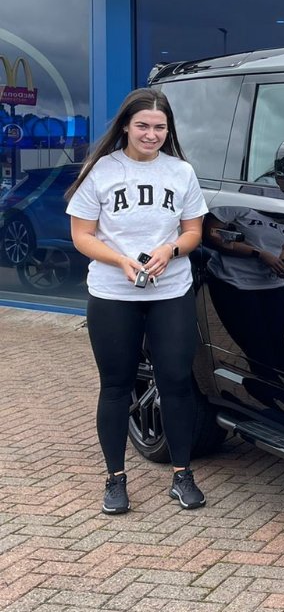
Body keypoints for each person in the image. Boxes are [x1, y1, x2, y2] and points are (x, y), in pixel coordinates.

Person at [65, 88, 208, 515]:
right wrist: (121, 260)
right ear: (126, 126)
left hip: (170, 291)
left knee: (177, 383)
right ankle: (115, 479)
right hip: (113, 293)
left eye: (159, 127)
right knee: (115, 386)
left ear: (169, 130)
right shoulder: (101, 172)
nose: (151, 134)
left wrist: (171, 251)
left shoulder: (181, 172)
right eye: (143, 125)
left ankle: (182, 475)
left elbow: (193, 232)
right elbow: (82, 236)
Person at [203, 207, 284, 382]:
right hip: (235, 283)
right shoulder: (241, 203)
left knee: (278, 345)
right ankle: (268, 396)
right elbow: (212, 235)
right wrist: (259, 254)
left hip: (272, 285)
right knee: (258, 348)